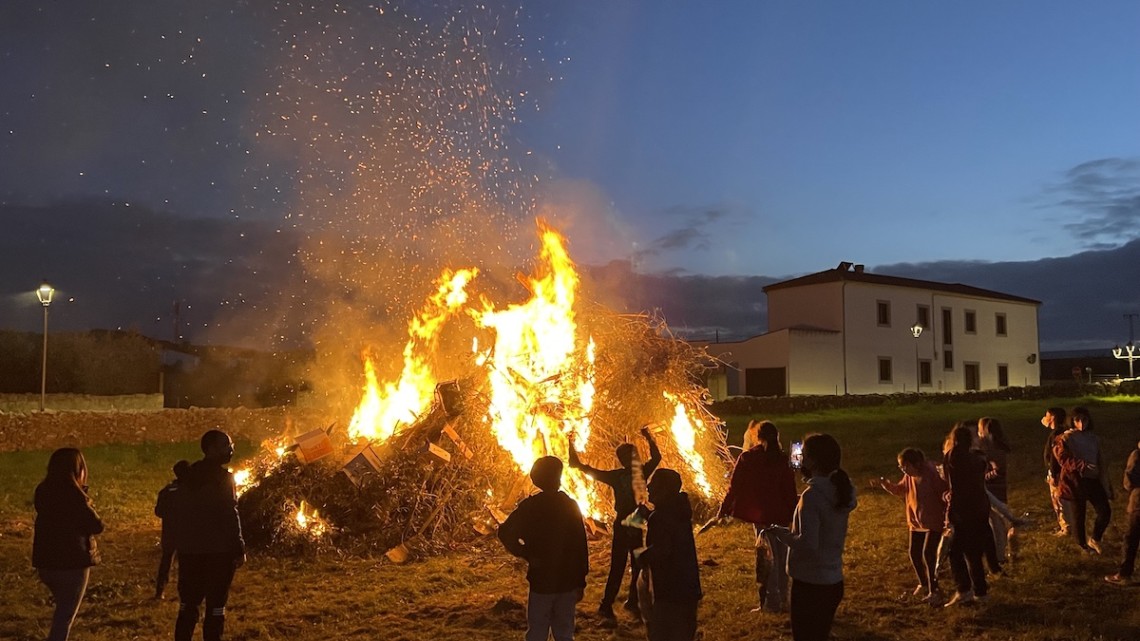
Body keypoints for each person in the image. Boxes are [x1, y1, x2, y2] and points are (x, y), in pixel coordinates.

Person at [568, 426, 660, 621]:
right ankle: (611, 603)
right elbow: (584, 468)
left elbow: (582, 467)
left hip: (631, 522)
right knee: (627, 563)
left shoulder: (625, 474)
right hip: (630, 522)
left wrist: (649, 438)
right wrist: (649, 438)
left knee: (630, 564)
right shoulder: (634, 473)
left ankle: (624, 601)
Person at [772, 433, 856, 641]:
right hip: (833, 580)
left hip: (811, 584)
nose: (799, 457)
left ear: (812, 460)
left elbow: (808, 544)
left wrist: (781, 534)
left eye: (804, 454)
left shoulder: (813, 496)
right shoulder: (840, 489)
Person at [498, 456, 589, 641]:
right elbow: (581, 545)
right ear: (559, 478)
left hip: (542, 579)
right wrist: (581, 580)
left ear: (536, 479)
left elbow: (505, 532)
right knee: (564, 632)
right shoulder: (569, 506)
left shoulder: (530, 506)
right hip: (567, 580)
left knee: (537, 630)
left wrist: (526, 553)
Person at [718, 420, 798, 612]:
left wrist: (724, 508)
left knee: (768, 560)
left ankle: (771, 603)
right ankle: (784, 600)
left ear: (756, 437)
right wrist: (793, 513)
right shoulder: (782, 459)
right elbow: (789, 489)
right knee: (782, 557)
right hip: (781, 515)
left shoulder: (748, 459)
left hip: (762, 517)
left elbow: (734, 488)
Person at [174, 430, 246, 641]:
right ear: (211, 449)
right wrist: (238, 546)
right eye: (226, 446)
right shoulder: (224, 479)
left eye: (231, 445)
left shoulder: (187, 476)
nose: (231, 449)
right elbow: (229, 514)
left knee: (188, 605)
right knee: (215, 607)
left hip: (190, 552)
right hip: (219, 553)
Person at [33, 448, 105, 641]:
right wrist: (84, 496)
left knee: (62, 608)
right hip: (71, 564)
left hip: (46, 563)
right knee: (64, 617)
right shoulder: (75, 497)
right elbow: (97, 525)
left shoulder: (43, 491)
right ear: (78, 470)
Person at [873, 447, 947, 606]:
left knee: (929, 553)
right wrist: (885, 484)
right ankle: (924, 583)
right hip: (916, 521)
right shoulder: (909, 477)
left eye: (905, 466)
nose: (903, 470)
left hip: (934, 520)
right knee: (914, 552)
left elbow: (944, 493)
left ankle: (934, 590)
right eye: (901, 467)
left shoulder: (932, 474)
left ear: (917, 464)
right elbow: (901, 489)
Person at [639, 468, 702, 641]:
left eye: (654, 484)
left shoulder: (660, 518)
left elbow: (662, 550)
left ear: (664, 489)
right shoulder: (679, 510)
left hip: (669, 592)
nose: (649, 487)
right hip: (688, 588)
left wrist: (641, 555)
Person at [942, 423, 993, 606]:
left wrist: (949, 513)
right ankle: (981, 591)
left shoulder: (954, 456)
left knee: (955, 551)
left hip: (963, 511)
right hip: (979, 509)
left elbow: (955, 487)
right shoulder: (978, 458)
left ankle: (964, 590)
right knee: (973, 552)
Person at [1054, 406, 1113, 554]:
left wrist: (1106, 482)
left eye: (1084, 419)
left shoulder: (1093, 438)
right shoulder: (1066, 438)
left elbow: (1101, 460)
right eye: (1077, 419)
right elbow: (1062, 458)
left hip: (1093, 479)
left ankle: (1095, 538)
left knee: (1104, 511)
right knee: (1079, 515)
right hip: (1076, 481)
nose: (1081, 423)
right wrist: (1081, 465)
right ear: (1072, 421)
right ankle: (1082, 545)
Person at [977, 417, 1013, 568]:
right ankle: (998, 553)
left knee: (996, 523)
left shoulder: (991, 450)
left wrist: (982, 478)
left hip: (993, 490)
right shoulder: (999, 446)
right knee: (995, 522)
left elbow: (997, 470)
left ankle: (999, 555)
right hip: (999, 488)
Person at [155, 459, 191, 599]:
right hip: (186, 532)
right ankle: (184, 591)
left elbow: (158, 511)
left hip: (169, 531)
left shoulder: (167, 490)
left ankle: (160, 590)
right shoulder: (190, 491)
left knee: (166, 560)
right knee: (185, 562)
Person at [1106, 438, 1140, 585]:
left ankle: (1125, 574)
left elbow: (1129, 481)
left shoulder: (1137, 455)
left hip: (1138, 503)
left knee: (1131, 538)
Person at [1041, 407, 1072, 536]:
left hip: (1058, 473)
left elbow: (1054, 456)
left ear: (1052, 417)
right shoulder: (1062, 431)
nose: (1044, 418)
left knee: (1059, 499)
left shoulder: (1056, 434)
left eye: (1046, 415)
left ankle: (1065, 527)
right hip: (1062, 471)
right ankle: (1068, 525)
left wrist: (1053, 473)